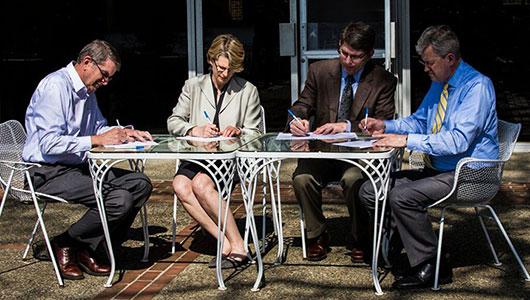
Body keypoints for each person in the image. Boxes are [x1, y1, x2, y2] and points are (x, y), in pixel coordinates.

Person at [358, 25, 498, 289]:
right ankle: (403, 247)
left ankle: (433, 265)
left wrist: (407, 141)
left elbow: (458, 141)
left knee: (403, 196)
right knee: (370, 189)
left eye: (429, 62)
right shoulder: (440, 85)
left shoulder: (477, 87)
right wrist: (385, 126)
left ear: (450, 59)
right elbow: (420, 121)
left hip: (468, 173)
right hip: (440, 169)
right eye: (423, 62)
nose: (425, 68)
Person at [22, 39, 153, 280]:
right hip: (45, 171)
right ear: (87, 62)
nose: (105, 82)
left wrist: (124, 133)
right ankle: (65, 243)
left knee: (140, 184)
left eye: (109, 78)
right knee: (118, 198)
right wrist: (94, 139)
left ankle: (90, 248)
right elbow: (49, 144)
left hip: (75, 167)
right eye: (104, 75)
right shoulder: (55, 86)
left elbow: (99, 127)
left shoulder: (87, 89)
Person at [287, 21, 396, 263]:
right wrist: (299, 119)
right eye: (344, 53)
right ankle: (316, 235)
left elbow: (385, 121)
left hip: (359, 156)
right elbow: (302, 104)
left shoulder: (383, 80)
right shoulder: (320, 71)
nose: (347, 60)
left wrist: (347, 125)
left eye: (355, 57)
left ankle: (360, 237)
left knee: (353, 180)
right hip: (323, 152)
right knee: (302, 178)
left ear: (369, 55)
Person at [167, 34, 262, 268]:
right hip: (199, 155)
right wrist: (194, 129)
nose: (225, 74)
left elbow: (257, 133)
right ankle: (224, 241)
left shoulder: (248, 90)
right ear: (211, 61)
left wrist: (239, 131)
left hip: (230, 159)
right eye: (221, 68)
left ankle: (239, 246)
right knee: (180, 184)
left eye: (230, 70)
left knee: (200, 184)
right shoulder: (193, 86)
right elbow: (173, 121)